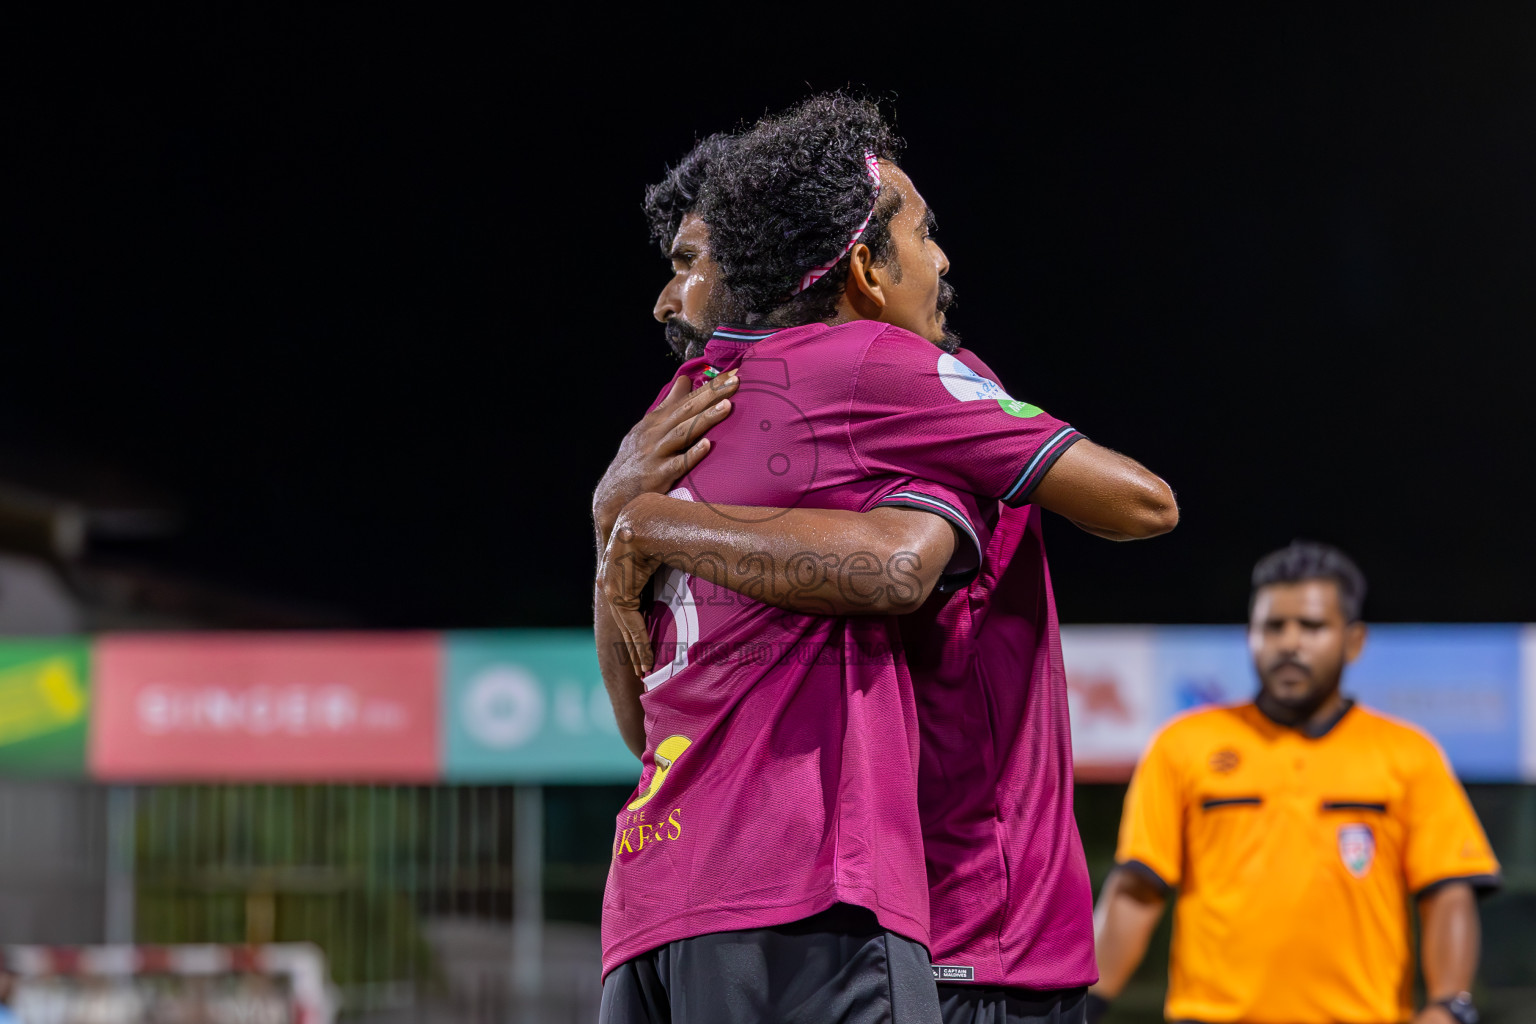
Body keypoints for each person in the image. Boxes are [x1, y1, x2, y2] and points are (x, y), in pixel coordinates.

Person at [594, 94, 1177, 1024]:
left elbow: (637, 726)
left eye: (691, 264)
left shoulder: (670, 432)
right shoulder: (886, 383)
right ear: (856, 265)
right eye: (925, 232)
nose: (671, 299)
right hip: (926, 927)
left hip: (656, 900)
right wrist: (632, 529)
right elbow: (1126, 508)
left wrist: (625, 526)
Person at [1088, 541, 1499, 1024]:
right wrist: (1085, 1006)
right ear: (1250, 635)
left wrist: (1449, 1005)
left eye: (1311, 626)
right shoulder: (1181, 744)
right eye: (1273, 626)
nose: (1289, 642)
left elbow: (1447, 890)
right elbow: (1138, 890)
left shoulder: (1409, 753)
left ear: (1354, 640)